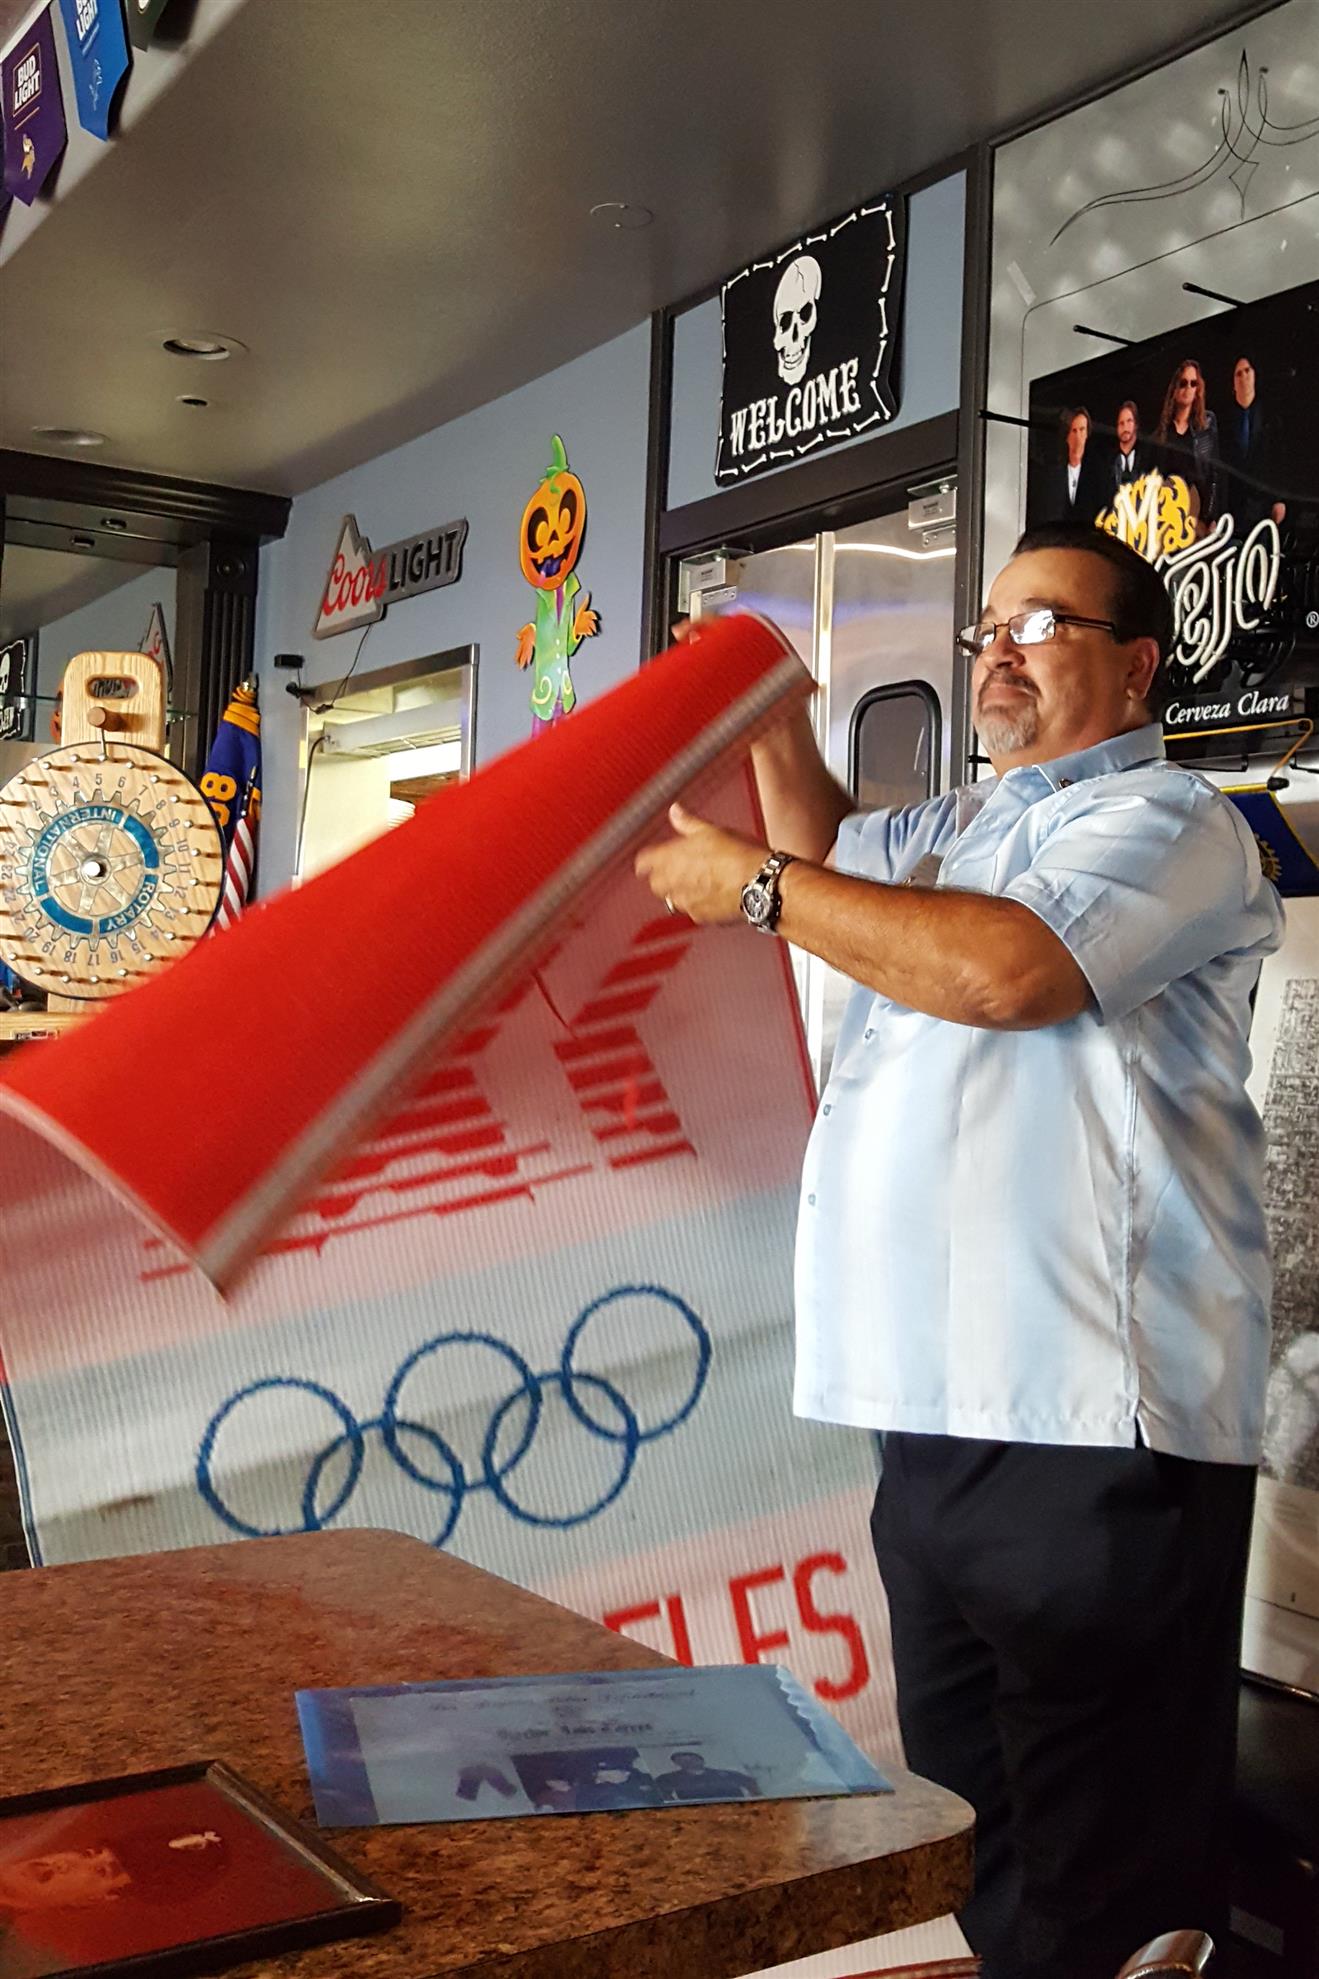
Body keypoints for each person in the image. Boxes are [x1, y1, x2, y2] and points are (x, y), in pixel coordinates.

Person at [635, 525, 1283, 1979]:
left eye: (1038, 623)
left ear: (1135, 664)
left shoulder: (1167, 818)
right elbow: (826, 858)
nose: (996, 650)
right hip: (926, 1411)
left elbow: (1007, 969)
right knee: (977, 1832)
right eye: (986, 625)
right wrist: (773, 719)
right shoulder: (960, 824)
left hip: (1088, 1416)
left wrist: (755, 885)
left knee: (1101, 1873)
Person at [1219, 355, 1287, 530]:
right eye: (1238, 374)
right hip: (1232, 508)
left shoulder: (1270, 416)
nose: (1244, 377)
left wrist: (1279, 499)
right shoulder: (1223, 421)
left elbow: (1279, 460)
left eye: (1247, 371)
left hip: (1263, 505)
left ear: (1255, 375)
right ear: (1233, 384)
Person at [1154, 357, 1219, 524]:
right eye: (1183, 383)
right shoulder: (1163, 430)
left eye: (1193, 383)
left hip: (1197, 512)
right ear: (1175, 389)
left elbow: (1213, 474)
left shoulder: (1206, 424)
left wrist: (1210, 516)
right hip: (1167, 513)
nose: (1188, 388)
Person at [1031, 407, 1106, 526]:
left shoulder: (1097, 475)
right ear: (1067, 435)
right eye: (1074, 431)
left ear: (1087, 433)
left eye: (1082, 430)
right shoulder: (1053, 475)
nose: (1078, 437)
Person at [653, 1751, 760, 1802]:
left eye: (692, 1759)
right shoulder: (669, 1778)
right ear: (677, 1763)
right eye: (683, 1760)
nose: (689, 1762)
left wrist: (754, 1799)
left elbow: (750, 1783)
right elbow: (659, 1792)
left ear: (701, 1760)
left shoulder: (725, 1774)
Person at [1105, 400, 1155, 500]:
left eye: (1129, 421)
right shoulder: (1108, 461)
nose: (1125, 427)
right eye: (1121, 423)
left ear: (1136, 424)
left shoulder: (1148, 458)